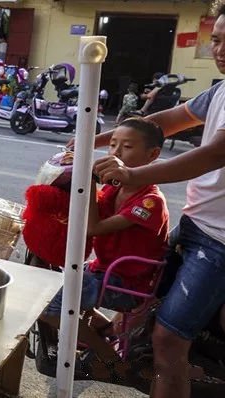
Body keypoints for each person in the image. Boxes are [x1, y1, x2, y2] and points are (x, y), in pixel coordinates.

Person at [91, 6, 225, 397]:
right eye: (216, 39)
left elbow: (215, 153)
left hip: (219, 243)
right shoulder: (219, 91)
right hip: (196, 224)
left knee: (168, 339)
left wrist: (133, 174)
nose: (220, 49)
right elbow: (166, 121)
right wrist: (98, 139)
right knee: (138, 305)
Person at [39, 118, 169, 375]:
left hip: (127, 284)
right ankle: (105, 330)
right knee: (52, 279)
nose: (116, 153)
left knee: (46, 307)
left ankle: (109, 357)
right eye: (112, 145)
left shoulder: (150, 203)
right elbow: (87, 211)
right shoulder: (115, 188)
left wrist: (87, 181)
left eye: (127, 147)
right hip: (103, 270)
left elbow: (93, 227)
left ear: (152, 155)